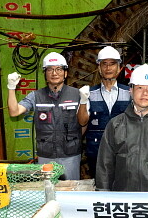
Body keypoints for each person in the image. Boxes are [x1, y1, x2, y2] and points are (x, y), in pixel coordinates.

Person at [7, 52, 88, 180]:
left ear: (65, 73)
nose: (54, 73)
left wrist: (83, 102)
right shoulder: (36, 96)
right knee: (48, 188)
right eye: (50, 69)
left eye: (59, 69)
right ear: (45, 74)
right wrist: (11, 88)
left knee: (71, 188)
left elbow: (83, 122)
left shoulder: (77, 94)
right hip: (46, 155)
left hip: (70, 155)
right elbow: (14, 111)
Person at [81, 46, 131, 179]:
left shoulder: (129, 93)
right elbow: (82, 122)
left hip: (123, 150)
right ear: (99, 68)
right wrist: (83, 101)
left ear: (119, 67)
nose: (108, 68)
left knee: (122, 185)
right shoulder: (89, 93)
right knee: (99, 185)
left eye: (112, 64)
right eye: (104, 64)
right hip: (96, 151)